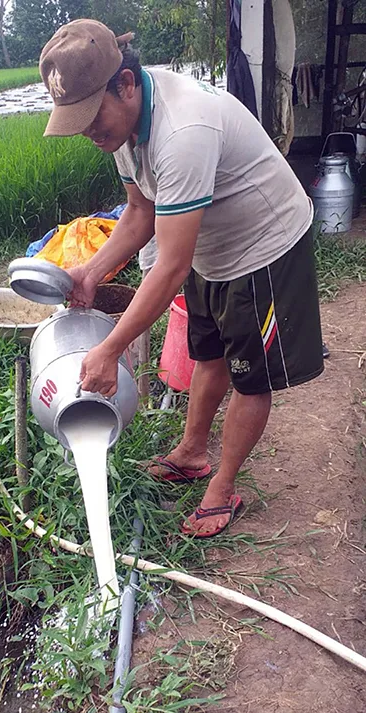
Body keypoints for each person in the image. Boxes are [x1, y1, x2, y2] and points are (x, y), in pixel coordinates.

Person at [39, 19, 324, 538]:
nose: (89, 132)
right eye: (76, 122)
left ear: (125, 83)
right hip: (209, 247)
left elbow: (170, 266)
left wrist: (110, 349)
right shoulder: (123, 127)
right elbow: (139, 211)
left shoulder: (183, 128)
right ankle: (192, 453)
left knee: (249, 373)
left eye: (91, 117)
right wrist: (90, 270)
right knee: (209, 351)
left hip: (264, 247)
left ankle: (224, 487)